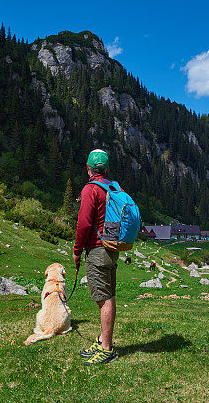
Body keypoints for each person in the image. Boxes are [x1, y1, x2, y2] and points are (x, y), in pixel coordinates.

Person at [73, 149, 119, 365]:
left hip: (97, 250)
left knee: (103, 299)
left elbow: (83, 223)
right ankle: (103, 340)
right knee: (109, 295)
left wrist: (77, 251)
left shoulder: (91, 189)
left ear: (88, 167)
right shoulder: (114, 187)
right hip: (112, 248)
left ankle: (107, 349)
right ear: (107, 168)